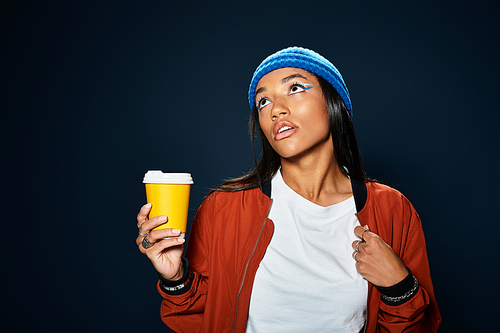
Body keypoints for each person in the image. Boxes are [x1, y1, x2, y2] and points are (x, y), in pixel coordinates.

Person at [136, 47, 441, 332]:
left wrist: (401, 288)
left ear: (334, 103)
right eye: (263, 101)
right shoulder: (223, 208)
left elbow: (421, 326)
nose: (275, 110)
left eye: (294, 88)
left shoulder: (392, 210)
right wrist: (177, 278)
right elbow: (199, 320)